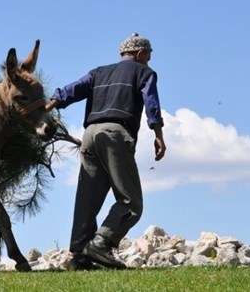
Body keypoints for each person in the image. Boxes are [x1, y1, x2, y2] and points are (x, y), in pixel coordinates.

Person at [45, 33, 166, 269]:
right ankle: (101, 243)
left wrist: (52, 101)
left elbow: (73, 89)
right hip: (115, 134)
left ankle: (79, 254)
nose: (148, 62)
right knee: (131, 202)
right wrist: (158, 135)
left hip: (90, 135)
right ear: (141, 54)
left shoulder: (98, 72)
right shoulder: (144, 73)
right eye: (148, 57)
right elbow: (151, 102)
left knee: (87, 200)